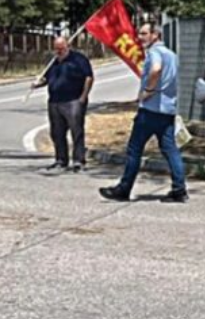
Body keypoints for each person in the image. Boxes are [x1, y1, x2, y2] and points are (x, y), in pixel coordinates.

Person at [99, 23, 188, 202]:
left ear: (155, 35)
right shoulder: (172, 55)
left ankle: (124, 189)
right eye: (140, 33)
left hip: (150, 110)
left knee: (134, 150)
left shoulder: (155, 52)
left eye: (144, 33)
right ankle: (179, 190)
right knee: (171, 150)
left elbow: (156, 69)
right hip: (167, 110)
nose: (140, 37)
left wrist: (148, 90)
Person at [33, 36, 94, 173]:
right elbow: (47, 79)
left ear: (68, 46)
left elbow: (89, 77)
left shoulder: (79, 59)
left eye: (61, 48)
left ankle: (78, 161)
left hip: (73, 100)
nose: (58, 51)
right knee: (57, 132)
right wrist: (37, 84)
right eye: (56, 48)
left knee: (76, 131)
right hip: (55, 101)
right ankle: (61, 160)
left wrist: (83, 97)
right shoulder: (53, 61)